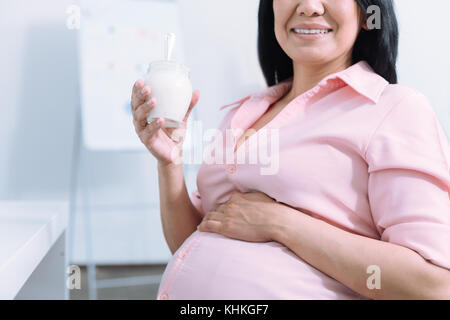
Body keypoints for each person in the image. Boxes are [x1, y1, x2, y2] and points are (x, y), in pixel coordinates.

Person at [131, 0, 450, 299]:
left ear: (368, 13)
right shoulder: (244, 112)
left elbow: (433, 284)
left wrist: (279, 223)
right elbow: (191, 243)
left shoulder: (394, 108)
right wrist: (169, 165)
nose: (309, 7)